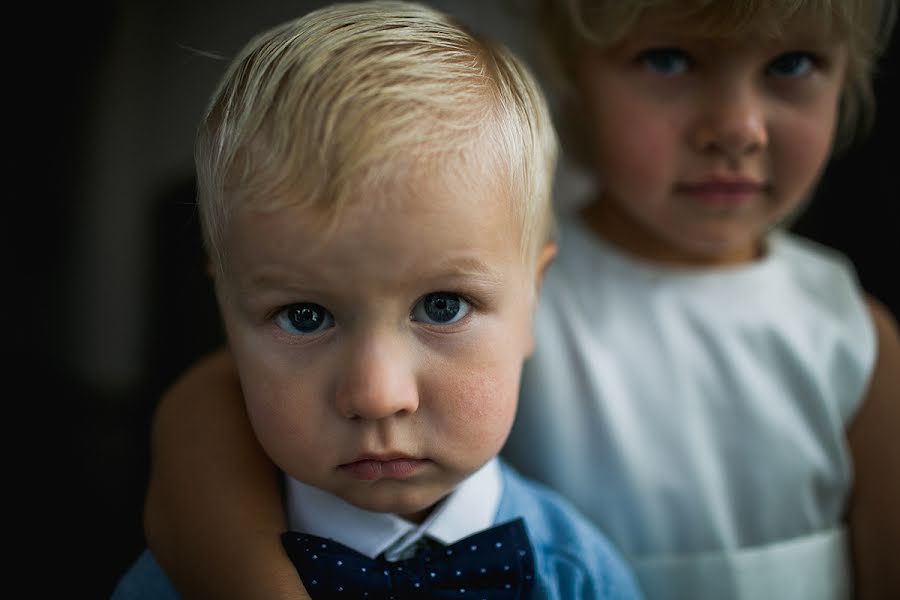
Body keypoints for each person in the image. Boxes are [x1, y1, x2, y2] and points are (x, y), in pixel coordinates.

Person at [132, 0, 900, 599]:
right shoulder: (472, 255)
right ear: (570, 72)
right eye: (669, 58)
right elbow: (207, 412)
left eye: (793, 62)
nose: (735, 128)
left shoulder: (851, 332)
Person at [110, 1, 647, 599]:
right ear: (227, 315)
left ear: (533, 304)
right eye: (305, 316)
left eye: (442, 306)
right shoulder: (181, 578)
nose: (377, 396)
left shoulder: (578, 575)